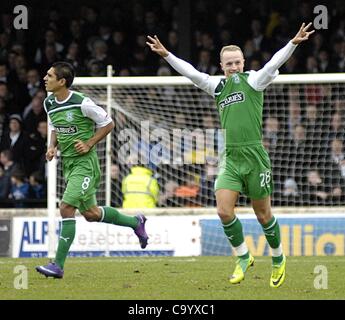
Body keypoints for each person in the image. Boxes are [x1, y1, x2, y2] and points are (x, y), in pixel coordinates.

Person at [147, 22, 314, 288]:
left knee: (263, 215)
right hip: (231, 158)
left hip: (255, 156)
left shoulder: (254, 80)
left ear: (243, 62)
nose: (234, 67)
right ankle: (243, 257)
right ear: (221, 65)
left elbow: (272, 64)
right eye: (229, 64)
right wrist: (166, 54)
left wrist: (293, 42)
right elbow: (191, 73)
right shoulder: (217, 86)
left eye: (237, 62)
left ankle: (278, 258)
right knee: (224, 211)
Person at [35, 62, 149, 279]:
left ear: (62, 81)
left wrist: (89, 143)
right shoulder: (49, 103)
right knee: (91, 214)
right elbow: (54, 127)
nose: (45, 78)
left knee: (66, 208)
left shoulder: (81, 102)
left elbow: (108, 123)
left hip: (85, 165)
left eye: (49, 75)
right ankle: (136, 223)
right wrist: (52, 146)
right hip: (68, 164)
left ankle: (57, 265)